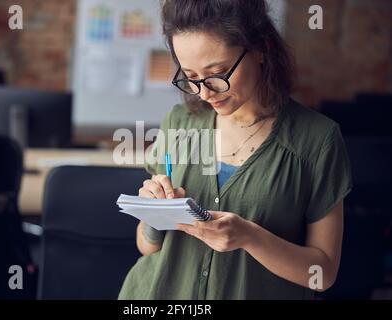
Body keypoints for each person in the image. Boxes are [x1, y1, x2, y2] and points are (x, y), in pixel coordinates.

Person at [118, 0, 353, 299]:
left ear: (260, 49)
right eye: (190, 76)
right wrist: (154, 218)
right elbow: (147, 246)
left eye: (218, 73)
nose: (204, 92)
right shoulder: (178, 124)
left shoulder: (318, 140)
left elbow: (322, 274)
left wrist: (250, 237)